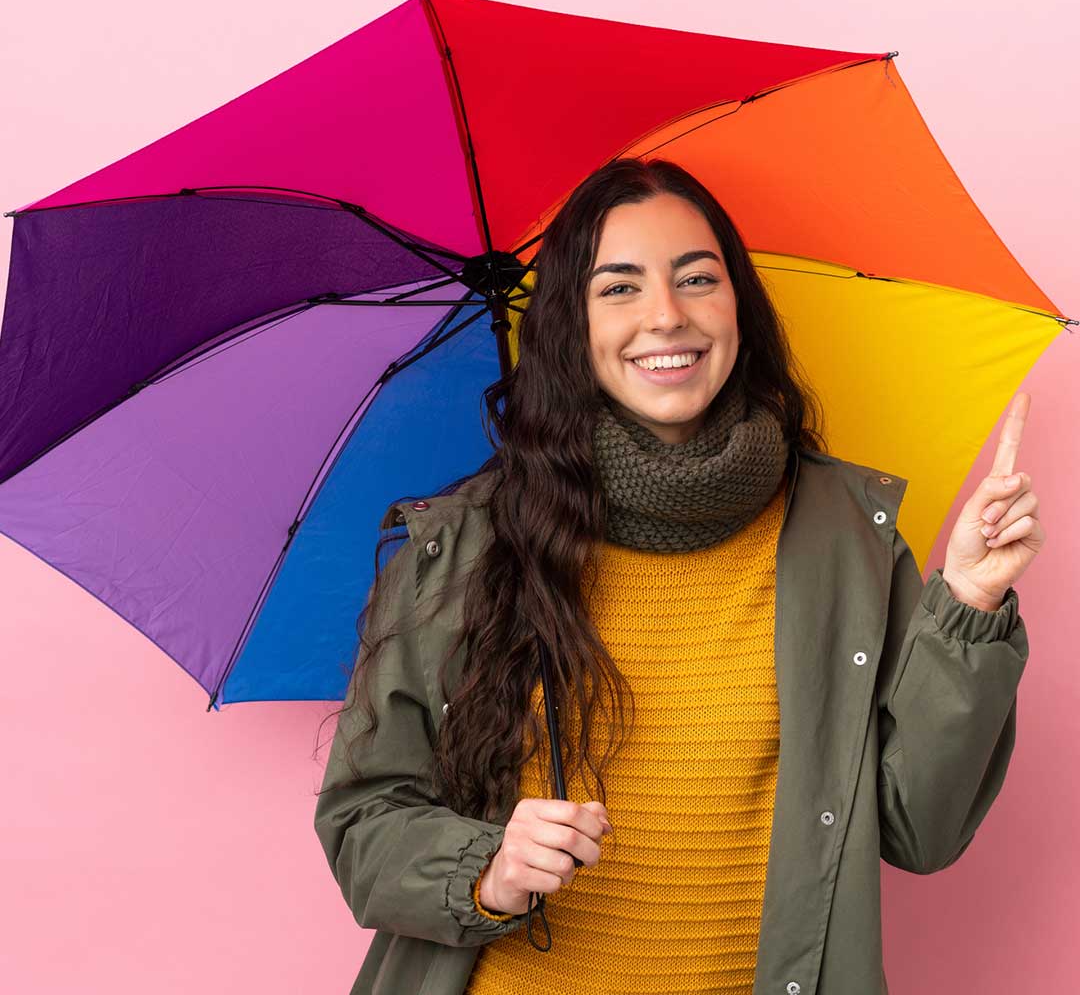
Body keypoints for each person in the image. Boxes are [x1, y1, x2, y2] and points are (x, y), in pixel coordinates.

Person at [314, 158, 1041, 995]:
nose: (666, 315)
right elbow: (363, 821)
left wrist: (973, 604)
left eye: (697, 278)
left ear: (740, 305)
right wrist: (489, 867)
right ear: (568, 326)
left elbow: (921, 829)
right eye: (617, 288)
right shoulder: (465, 547)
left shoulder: (847, 535)